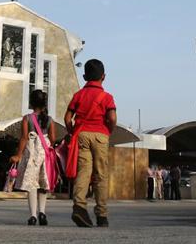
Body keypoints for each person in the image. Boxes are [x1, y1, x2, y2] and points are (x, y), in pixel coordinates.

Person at [64, 59, 117, 228]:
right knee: (101, 175)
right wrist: (108, 130)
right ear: (104, 77)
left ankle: (79, 207)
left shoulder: (78, 95)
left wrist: (73, 131)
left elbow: (67, 118)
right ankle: (102, 216)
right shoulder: (107, 97)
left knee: (84, 172)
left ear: (85, 76)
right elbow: (112, 118)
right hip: (100, 135)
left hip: (82, 134)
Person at [10, 89, 57, 226]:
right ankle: (42, 212)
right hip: (44, 152)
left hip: (31, 152)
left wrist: (18, 155)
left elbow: (24, 138)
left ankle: (32, 216)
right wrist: (47, 143)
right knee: (43, 183)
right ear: (44, 104)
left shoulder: (27, 118)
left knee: (31, 183)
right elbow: (53, 138)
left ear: (31, 103)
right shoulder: (50, 120)